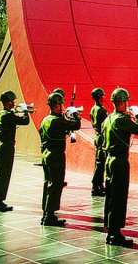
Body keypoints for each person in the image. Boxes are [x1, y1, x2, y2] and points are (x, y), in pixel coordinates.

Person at [102, 88, 138, 247]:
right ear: (122, 102)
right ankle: (115, 234)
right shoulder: (121, 119)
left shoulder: (108, 119)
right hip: (119, 161)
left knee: (110, 196)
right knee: (119, 197)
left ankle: (110, 230)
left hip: (109, 160)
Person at [39, 92, 80, 226]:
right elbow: (76, 125)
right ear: (57, 105)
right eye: (61, 104)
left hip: (46, 154)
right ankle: (49, 216)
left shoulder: (46, 119)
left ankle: (46, 213)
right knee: (56, 185)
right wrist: (74, 113)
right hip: (56, 156)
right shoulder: (57, 120)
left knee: (48, 184)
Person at [0, 91, 33, 212]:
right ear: (8, 102)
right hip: (6, 148)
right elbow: (25, 121)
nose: (14, 103)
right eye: (12, 101)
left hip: (0, 146)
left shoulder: (0, 114)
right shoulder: (8, 115)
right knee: (4, 175)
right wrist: (26, 111)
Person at [90, 88, 108, 196]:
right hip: (102, 138)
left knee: (99, 163)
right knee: (100, 164)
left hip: (97, 136)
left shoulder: (93, 109)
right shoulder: (101, 110)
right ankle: (96, 186)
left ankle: (99, 185)